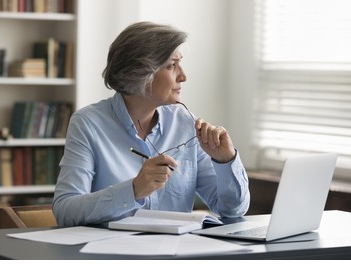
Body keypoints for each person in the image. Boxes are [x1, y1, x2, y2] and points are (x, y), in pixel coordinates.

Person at [53, 21, 250, 227]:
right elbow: (65, 211)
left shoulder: (185, 122)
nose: (183, 76)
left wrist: (226, 161)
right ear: (140, 73)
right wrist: (134, 190)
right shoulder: (87, 123)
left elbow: (233, 210)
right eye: (172, 65)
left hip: (177, 255)